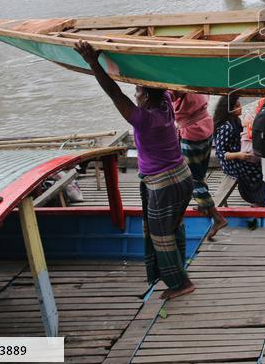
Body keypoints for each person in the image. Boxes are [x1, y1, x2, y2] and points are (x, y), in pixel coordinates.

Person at [73, 41, 195, 300]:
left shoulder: (146, 118)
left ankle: (180, 284)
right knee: (174, 229)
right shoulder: (165, 102)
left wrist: (94, 63)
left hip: (164, 183)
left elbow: (115, 94)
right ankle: (179, 274)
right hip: (181, 176)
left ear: (145, 95)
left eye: (137, 89)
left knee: (161, 235)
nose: (135, 94)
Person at [172, 91, 227, 240]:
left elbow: (167, 98)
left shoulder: (176, 83)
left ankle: (217, 217)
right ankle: (203, 204)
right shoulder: (193, 77)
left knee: (192, 179)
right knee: (200, 171)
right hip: (205, 124)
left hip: (192, 130)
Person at [211, 93, 265, 207]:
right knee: (258, 169)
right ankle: (258, 200)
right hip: (232, 162)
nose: (240, 107)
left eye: (239, 105)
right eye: (236, 106)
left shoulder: (235, 120)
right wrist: (239, 155)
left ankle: (260, 199)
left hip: (240, 155)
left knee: (261, 164)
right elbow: (220, 153)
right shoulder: (225, 127)